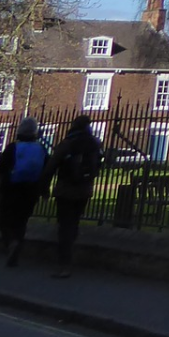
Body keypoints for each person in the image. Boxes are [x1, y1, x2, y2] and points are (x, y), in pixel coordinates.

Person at [46, 114, 103, 277]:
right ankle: (69, 255)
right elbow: (99, 164)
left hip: (65, 189)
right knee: (74, 222)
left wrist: (43, 186)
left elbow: (51, 165)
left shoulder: (67, 143)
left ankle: (64, 264)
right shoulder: (95, 143)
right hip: (84, 190)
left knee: (65, 226)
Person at [0, 116, 50, 267]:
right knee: (21, 221)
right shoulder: (41, 149)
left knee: (3, 220)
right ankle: (17, 246)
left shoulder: (13, 147)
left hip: (11, 188)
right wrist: (44, 190)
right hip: (31, 189)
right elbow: (46, 170)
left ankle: (11, 243)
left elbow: (0, 168)